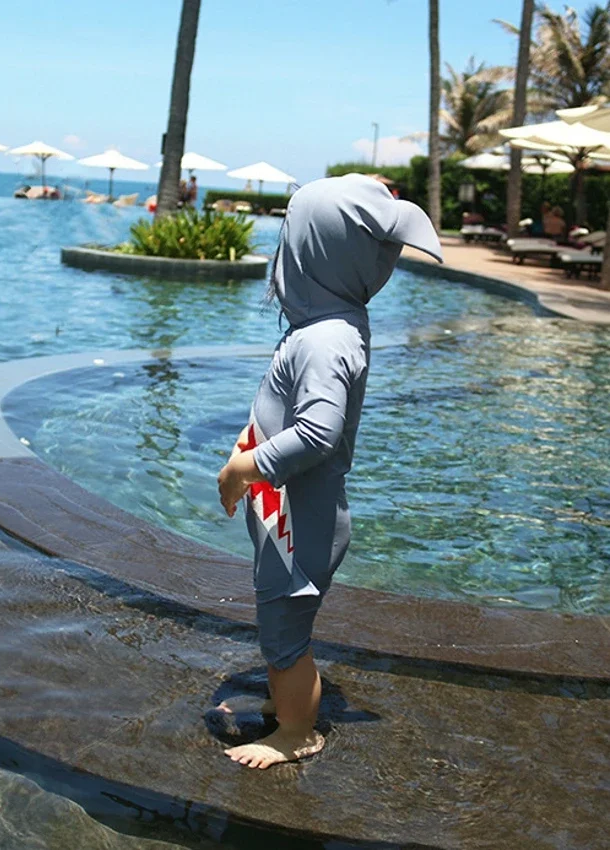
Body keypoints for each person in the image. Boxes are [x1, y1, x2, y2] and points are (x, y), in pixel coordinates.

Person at [216, 174, 442, 769]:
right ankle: (287, 701)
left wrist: (247, 465)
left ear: (310, 253)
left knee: (284, 635)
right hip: (292, 511)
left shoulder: (322, 341)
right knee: (278, 620)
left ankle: (296, 733)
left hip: (302, 519)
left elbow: (319, 431)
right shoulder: (329, 328)